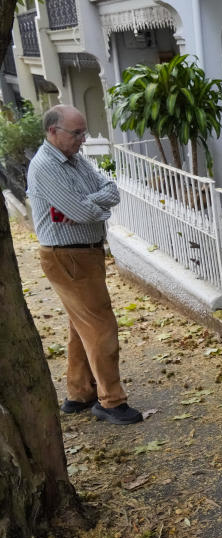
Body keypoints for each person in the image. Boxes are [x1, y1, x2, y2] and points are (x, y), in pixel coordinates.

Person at [27, 105, 142, 425]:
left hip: (83, 254)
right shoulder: (45, 166)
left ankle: (79, 394)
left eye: (83, 132)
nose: (83, 139)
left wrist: (87, 204)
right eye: (76, 133)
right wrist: (92, 206)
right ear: (52, 132)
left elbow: (110, 189)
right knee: (101, 327)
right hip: (68, 257)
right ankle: (111, 401)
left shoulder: (74, 160)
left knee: (82, 327)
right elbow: (81, 212)